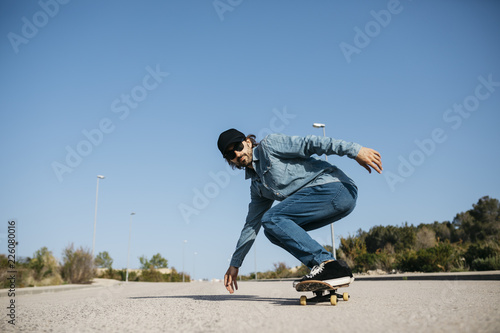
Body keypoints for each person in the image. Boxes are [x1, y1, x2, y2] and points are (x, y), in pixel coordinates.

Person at [217, 129, 383, 294]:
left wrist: (355, 150)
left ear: (247, 142)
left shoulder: (269, 146)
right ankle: (326, 272)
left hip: (336, 188)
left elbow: (310, 144)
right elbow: (251, 226)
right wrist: (235, 264)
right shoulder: (257, 186)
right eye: (231, 154)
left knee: (272, 218)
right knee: (272, 231)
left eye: (238, 146)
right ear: (230, 161)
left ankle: (327, 264)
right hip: (329, 201)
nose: (237, 154)